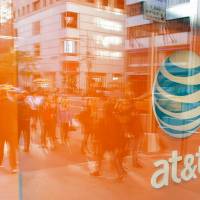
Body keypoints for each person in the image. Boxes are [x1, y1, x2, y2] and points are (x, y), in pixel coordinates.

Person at [0, 90, 18, 173]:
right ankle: (13, 166)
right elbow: (15, 115)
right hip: (11, 129)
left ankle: (0, 162)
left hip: (1, 129)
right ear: (6, 94)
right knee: (12, 148)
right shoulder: (12, 103)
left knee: (0, 146)